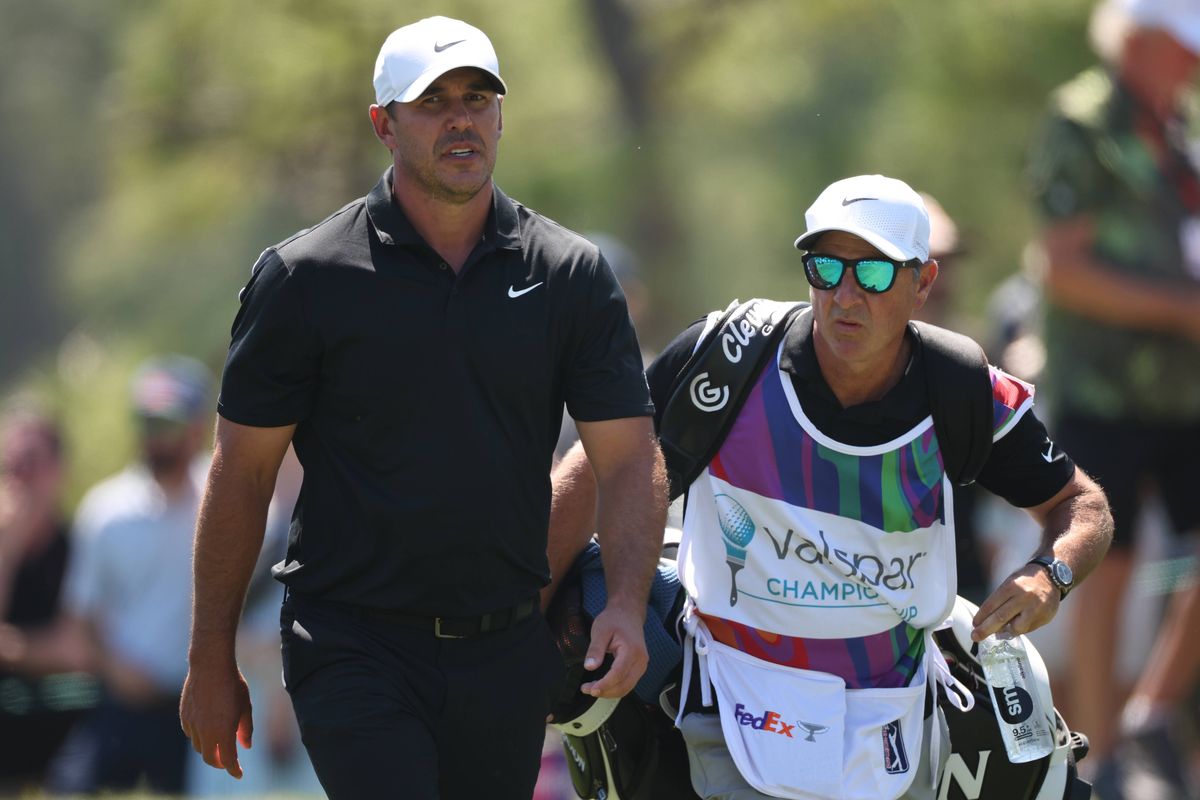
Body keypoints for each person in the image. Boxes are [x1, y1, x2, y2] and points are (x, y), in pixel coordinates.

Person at [178, 15, 667, 800]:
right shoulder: (305, 280)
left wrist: (628, 604)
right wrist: (209, 660)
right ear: (384, 124)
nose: (460, 119)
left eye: (477, 98)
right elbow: (242, 475)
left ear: (501, 116)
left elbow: (628, 456)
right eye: (432, 102)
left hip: (504, 648)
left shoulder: (570, 275)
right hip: (352, 642)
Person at [550, 175, 1113, 799]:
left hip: (893, 719)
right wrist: (524, 614)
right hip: (734, 697)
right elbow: (608, 468)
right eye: (825, 268)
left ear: (922, 283)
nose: (845, 296)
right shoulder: (728, 356)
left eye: (872, 274)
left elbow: (1082, 506)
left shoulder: (962, 386)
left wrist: (1049, 574)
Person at [1027, 0, 1200, 794]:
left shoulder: (1178, 136)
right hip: (1103, 391)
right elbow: (1062, 268)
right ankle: (1098, 759)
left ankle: (1151, 710)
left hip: (1185, 395)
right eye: (1184, 47)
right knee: (1109, 560)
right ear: (1142, 43)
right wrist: (1179, 308)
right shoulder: (1081, 120)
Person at [0, 356, 213, 795]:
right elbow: (84, 620)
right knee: (71, 787)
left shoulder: (224, 499)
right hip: (120, 700)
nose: (157, 436)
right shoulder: (106, 510)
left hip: (201, 703)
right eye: (148, 422)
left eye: (168, 423)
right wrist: (118, 670)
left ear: (196, 427)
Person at [0, 409, 96, 792]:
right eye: (11, 466)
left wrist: (7, 646)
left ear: (59, 470)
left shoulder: (79, 547)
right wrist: (8, 544)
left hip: (64, 719)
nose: (20, 477)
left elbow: (76, 652)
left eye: (32, 463)